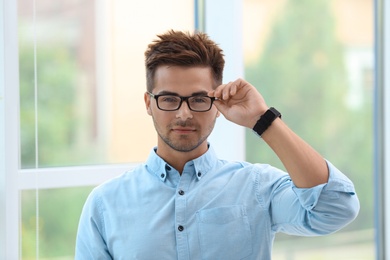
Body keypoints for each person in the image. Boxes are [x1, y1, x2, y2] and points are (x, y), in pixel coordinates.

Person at [75, 30, 359, 259]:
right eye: (169, 99)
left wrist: (263, 119)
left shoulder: (257, 187)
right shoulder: (105, 204)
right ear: (149, 103)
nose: (183, 114)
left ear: (217, 104)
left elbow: (336, 208)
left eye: (198, 99)